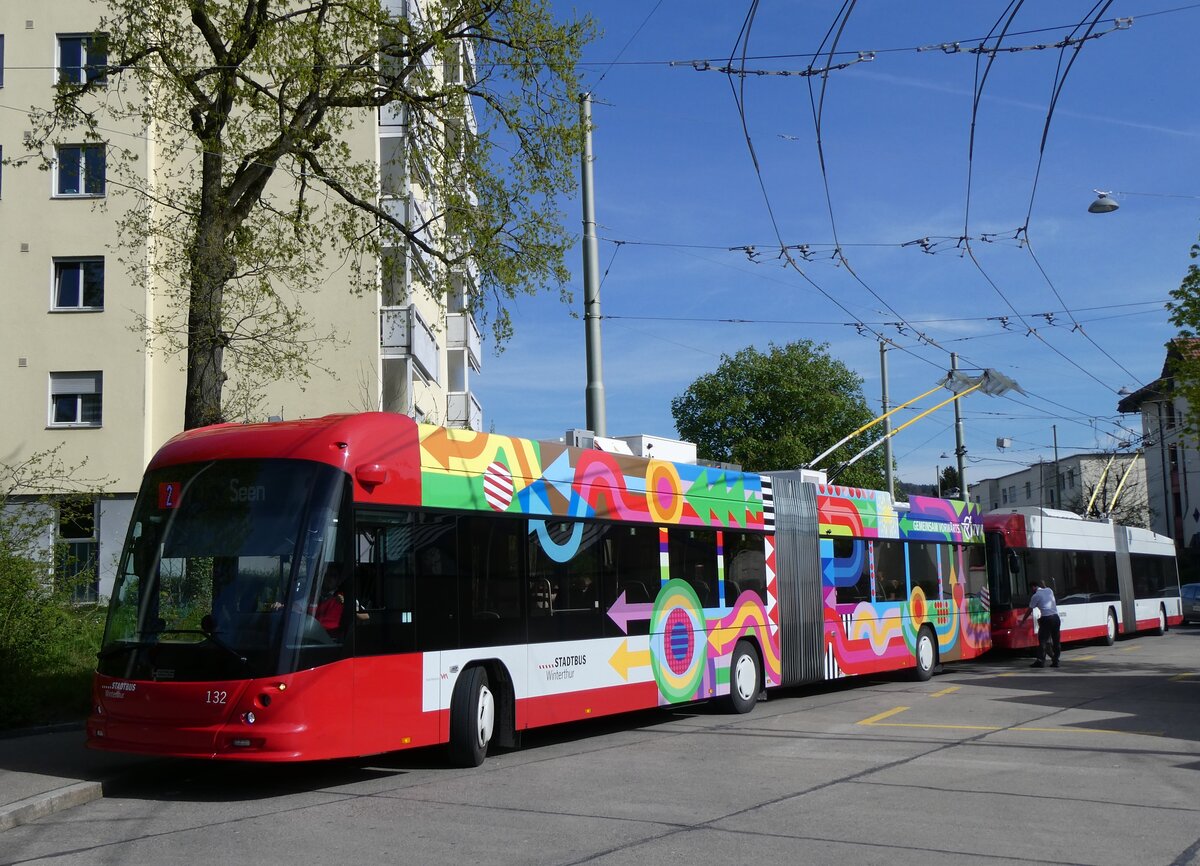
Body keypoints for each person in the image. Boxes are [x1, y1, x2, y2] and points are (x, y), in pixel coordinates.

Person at [1020, 579, 1061, 668]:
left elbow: (1029, 610)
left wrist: (1023, 620)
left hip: (1046, 619)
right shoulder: (1049, 590)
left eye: (1031, 589)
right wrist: (1044, 584)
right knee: (1056, 641)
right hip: (1056, 618)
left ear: (1033, 587)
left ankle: (1040, 661)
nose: (1031, 591)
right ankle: (1056, 661)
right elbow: (1045, 588)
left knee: (1042, 640)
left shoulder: (1036, 596)